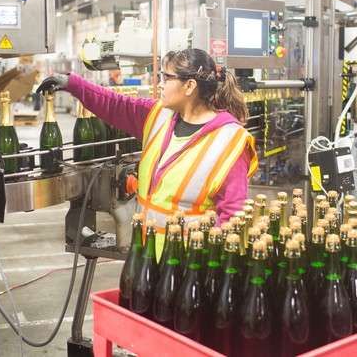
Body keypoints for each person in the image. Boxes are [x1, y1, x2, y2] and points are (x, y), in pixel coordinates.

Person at [37, 48, 258, 232]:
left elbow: (233, 216)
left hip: (189, 264)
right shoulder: (158, 116)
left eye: (167, 78)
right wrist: (72, 84)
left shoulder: (229, 142)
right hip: (147, 253)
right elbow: (115, 105)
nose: (160, 85)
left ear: (190, 86)